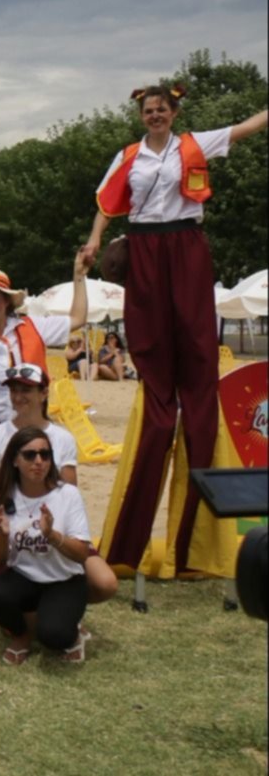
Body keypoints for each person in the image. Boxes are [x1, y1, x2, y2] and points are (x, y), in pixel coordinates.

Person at [82, 86, 266, 568]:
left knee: (196, 342)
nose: (155, 115)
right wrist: (93, 242)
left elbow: (246, 128)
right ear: (142, 116)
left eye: (162, 109)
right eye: (148, 110)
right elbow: (107, 203)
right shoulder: (129, 155)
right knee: (153, 343)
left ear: (174, 112)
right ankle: (158, 400)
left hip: (185, 241)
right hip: (144, 246)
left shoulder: (196, 143)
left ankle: (195, 544)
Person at [0, 364, 117, 605]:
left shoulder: (62, 438)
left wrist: (48, 524)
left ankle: (64, 607)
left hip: (55, 524)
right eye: (14, 390)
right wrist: (17, 512)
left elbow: (69, 489)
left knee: (105, 583)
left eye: (26, 390)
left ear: (44, 394)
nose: (18, 397)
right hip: (15, 523)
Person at [0, 259, 88, 449]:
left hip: (32, 426)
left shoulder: (34, 326)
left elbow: (78, 318)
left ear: (6, 301)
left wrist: (79, 276)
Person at [0, 426, 92, 665]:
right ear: (14, 460)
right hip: (25, 577)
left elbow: (82, 554)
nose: (39, 461)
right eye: (30, 455)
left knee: (54, 636)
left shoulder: (68, 494)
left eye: (45, 454)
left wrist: (52, 535)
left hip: (64, 580)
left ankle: (73, 632)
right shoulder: (4, 495)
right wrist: (2, 535)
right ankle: (22, 636)